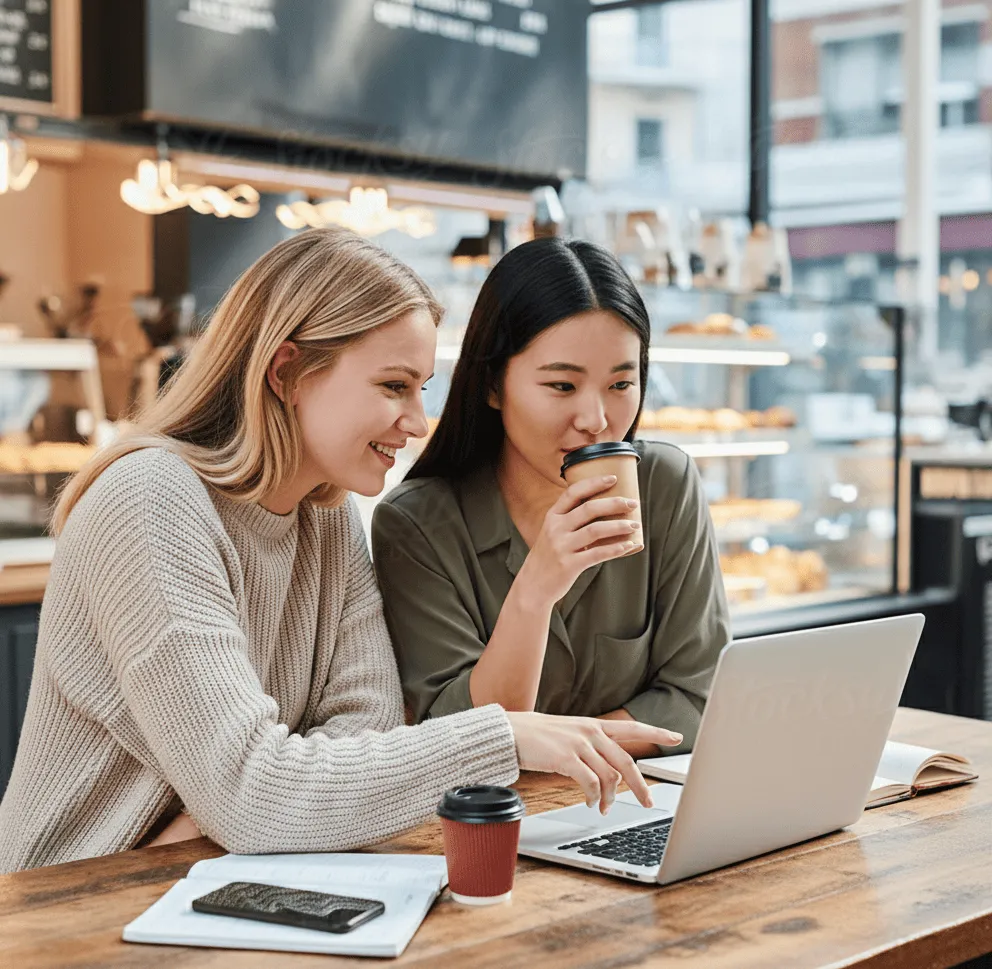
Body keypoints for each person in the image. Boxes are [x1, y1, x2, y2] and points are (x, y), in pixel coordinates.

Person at [0, 229, 680, 874]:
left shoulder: (326, 517)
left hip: (222, 876)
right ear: (287, 371)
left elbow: (361, 739)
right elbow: (252, 796)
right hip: (75, 900)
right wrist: (507, 737)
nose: (416, 423)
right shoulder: (151, 500)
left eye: (422, 390)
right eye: (393, 386)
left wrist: (252, 800)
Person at [372, 238, 730, 761]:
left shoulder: (664, 486)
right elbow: (454, 736)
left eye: (621, 383)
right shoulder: (416, 526)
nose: (597, 419)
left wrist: (563, 745)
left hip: (645, 804)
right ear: (494, 385)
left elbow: (702, 696)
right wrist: (536, 590)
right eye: (562, 386)